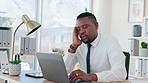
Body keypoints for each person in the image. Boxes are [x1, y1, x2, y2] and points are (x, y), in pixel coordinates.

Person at [64, 12, 127, 82]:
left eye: (85, 27)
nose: (81, 32)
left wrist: (91, 77)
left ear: (96, 25)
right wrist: (73, 46)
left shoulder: (110, 41)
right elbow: (64, 70)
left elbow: (121, 73)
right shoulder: (79, 45)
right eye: (78, 29)